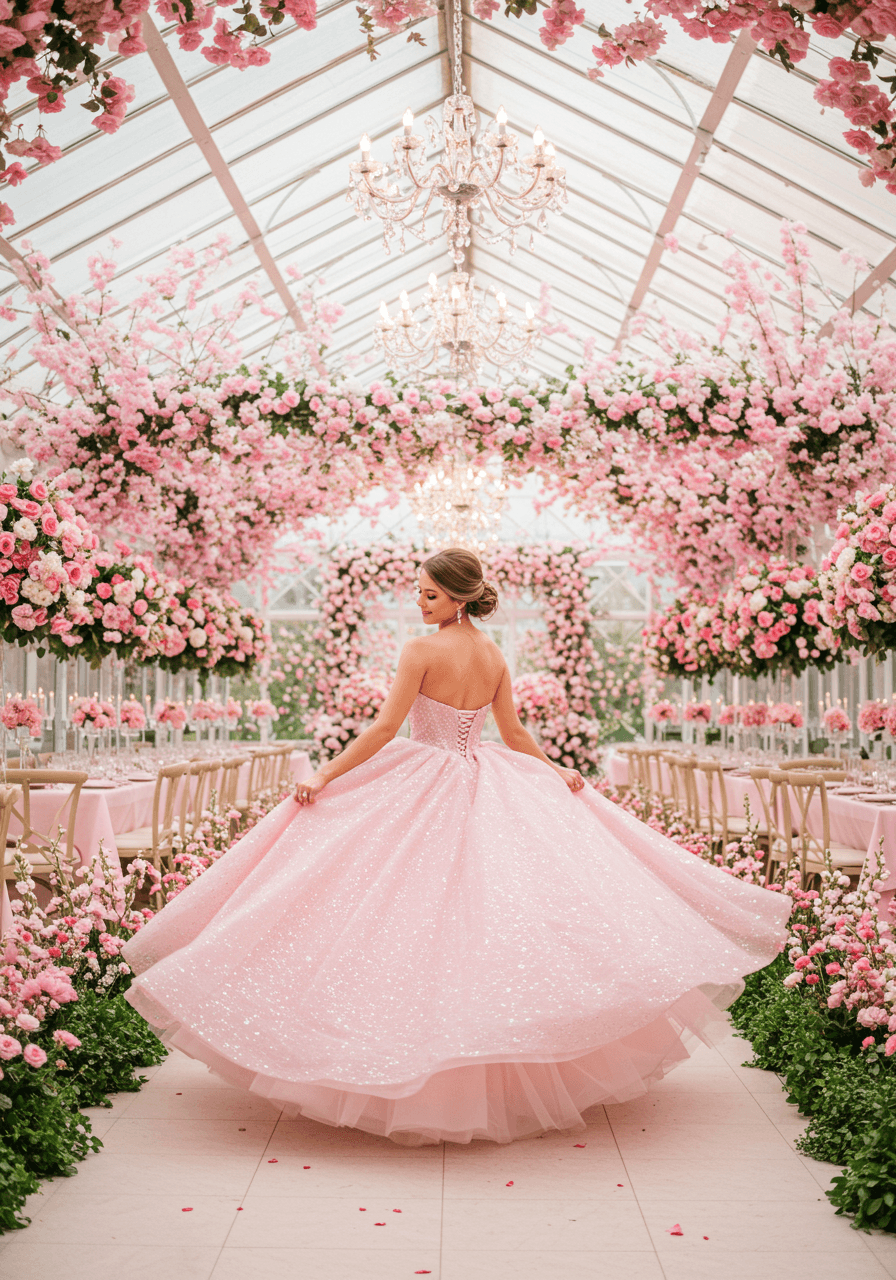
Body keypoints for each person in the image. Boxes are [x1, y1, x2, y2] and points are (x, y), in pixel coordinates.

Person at [123, 547, 790, 1146]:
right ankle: (489, 1063)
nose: (421, 602)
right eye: (419, 592)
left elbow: (387, 728)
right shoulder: (495, 655)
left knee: (404, 912)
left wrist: (327, 773)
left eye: (431, 594)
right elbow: (516, 736)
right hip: (485, 777)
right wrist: (554, 769)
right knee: (485, 916)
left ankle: (403, 1059)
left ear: (460, 596)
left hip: (426, 777)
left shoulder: (421, 651)